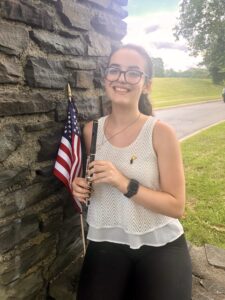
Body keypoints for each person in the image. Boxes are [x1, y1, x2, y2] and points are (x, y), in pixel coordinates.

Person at [72, 44, 192, 300]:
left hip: (160, 243)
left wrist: (124, 182)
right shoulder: (90, 131)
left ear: (146, 84)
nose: (121, 79)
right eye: (115, 70)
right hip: (106, 240)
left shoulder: (160, 133)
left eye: (133, 73)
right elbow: (92, 184)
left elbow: (176, 206)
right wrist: (80, 186)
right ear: (106, 78)